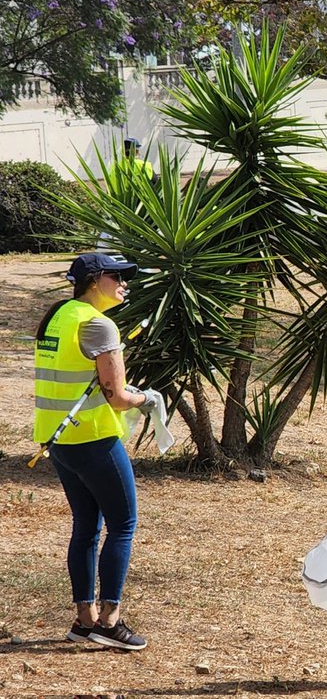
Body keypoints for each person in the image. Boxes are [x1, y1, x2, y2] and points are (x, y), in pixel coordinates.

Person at [33, 253, 159, 651]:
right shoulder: (99, 324)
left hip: (58, 439)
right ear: (93, 280)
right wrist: (146, 398)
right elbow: (117, 397)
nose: (124, 283)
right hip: (94, 439)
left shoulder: (59, 315)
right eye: (117, 276)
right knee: (123, 524)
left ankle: (85, 620)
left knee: (86, 526)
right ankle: (110, 621)